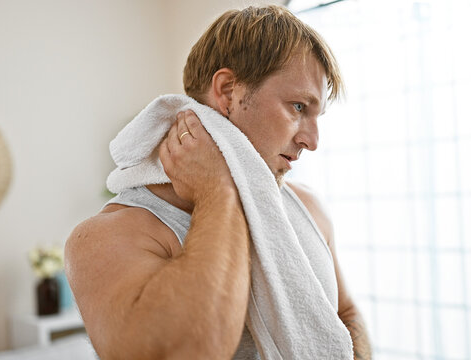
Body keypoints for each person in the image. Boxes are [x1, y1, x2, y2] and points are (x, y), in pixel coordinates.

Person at [65, 5, 371, 360]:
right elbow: (189, 350)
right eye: (299, 107)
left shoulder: (308, 207)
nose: (312, 140)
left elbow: (346, 317)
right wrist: (218, 191)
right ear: (227, 92)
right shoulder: (105, 238)